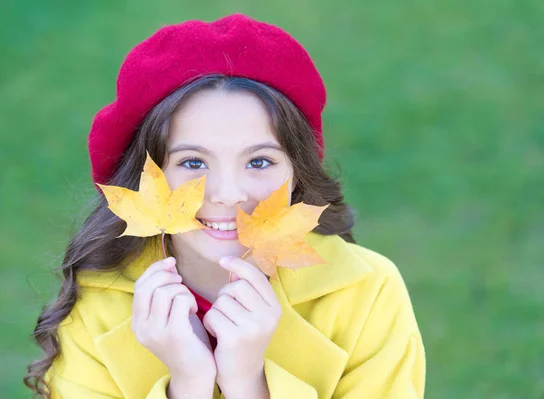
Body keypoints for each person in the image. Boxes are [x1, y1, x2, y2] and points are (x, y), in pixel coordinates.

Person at [24, 13, 426, 399]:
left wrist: (249, 384)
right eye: (193, 163)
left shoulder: (367, 292)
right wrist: (188, 385)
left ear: (297, 173)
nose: (228, 193)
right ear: (145, 177)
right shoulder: (97, 305)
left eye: (259, 161)